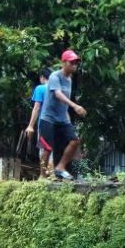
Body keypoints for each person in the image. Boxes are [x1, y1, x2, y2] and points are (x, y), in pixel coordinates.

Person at [40, 49, 85, 181]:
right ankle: (42, 176)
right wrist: (75, 106)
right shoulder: (55, 76)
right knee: (48, 148)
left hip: (62, 118)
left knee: (74, 140)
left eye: (76, 63)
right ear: (63, 63)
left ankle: (60, 167)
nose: (74, 66)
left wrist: (68, 118)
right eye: (71, 63)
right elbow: (58, 94)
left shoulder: (69, 80)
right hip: (48, 118)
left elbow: (63, 102)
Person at [24, 68, 52, 178]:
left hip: (45, 124)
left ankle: (43, 176)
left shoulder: (40, 88)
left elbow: (36, 108)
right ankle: (52, 176)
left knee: (44, 150)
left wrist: (30, 126)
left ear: (42, 78)